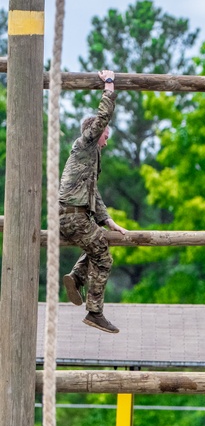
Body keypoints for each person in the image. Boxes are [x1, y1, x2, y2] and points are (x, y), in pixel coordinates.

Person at [60, 70, 130, 333]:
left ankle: (76, 277)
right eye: (106, 135)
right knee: (104, 258)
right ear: (95, 132)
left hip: (70, 216)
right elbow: (103, 117)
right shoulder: (86, 143)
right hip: (73, 215)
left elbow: (95, 194)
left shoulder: (90, 158)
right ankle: (94, 311)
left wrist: (109, 221)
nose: (107, 141)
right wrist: (109, 86)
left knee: (95, 244)